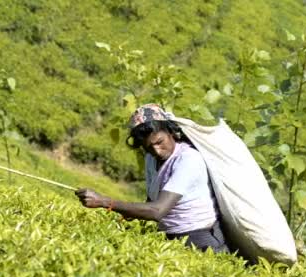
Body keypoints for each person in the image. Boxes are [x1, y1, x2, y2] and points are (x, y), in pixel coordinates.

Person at [75, 104, 229, 253]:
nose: (157, 151)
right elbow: (153, 198)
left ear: (171, 132)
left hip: (200, 239)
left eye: (160, 142)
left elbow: (157, 210)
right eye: (149, 147)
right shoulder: (151, 158)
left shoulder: (188, 159)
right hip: (171, 236)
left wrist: (104, 202)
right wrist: (131, 212)